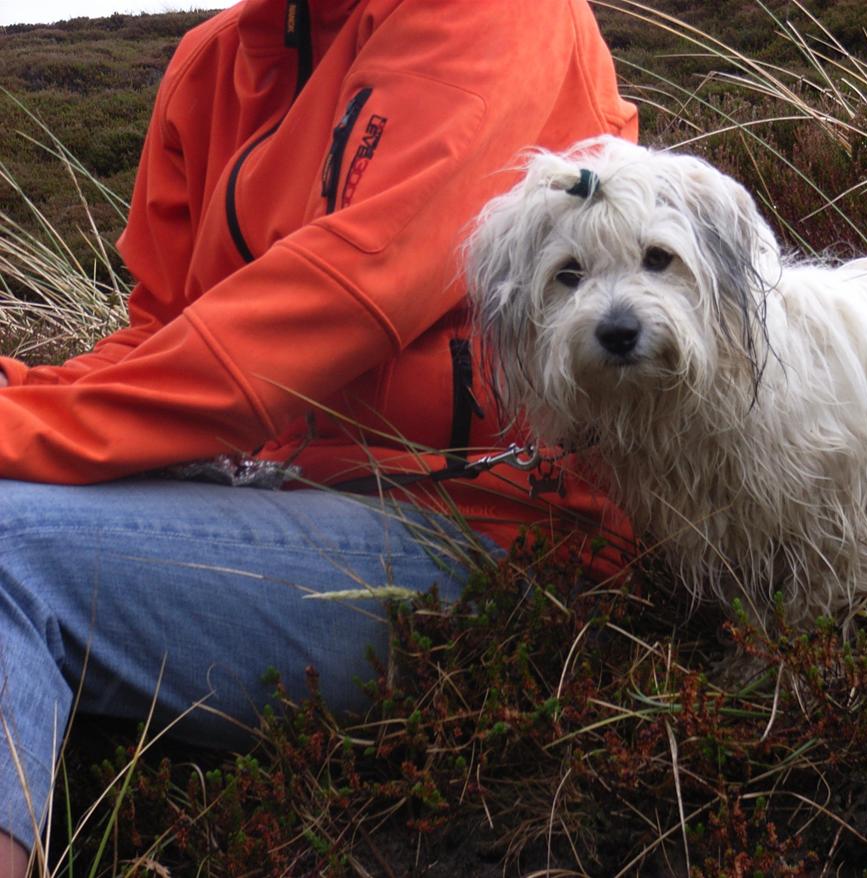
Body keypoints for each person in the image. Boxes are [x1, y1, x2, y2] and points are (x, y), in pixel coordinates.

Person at [0, 0, 637, 872]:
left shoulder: (498, 13)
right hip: (292, 505)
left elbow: (349, 294)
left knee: (5, 548)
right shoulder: (212, 64)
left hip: (494, 538)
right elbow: (161, 333)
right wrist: (25, 393)